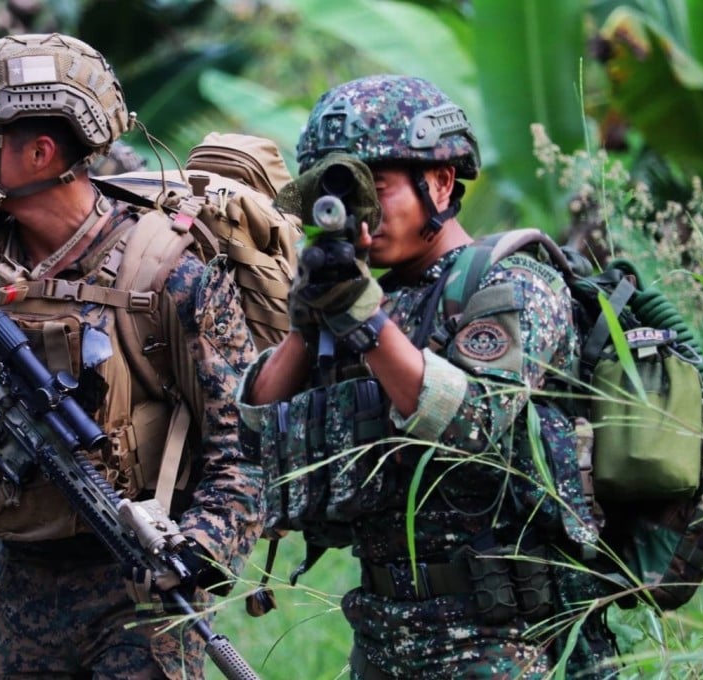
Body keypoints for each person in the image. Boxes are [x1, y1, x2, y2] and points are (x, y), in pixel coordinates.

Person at [0, 32, 261, 678]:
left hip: (142, 600)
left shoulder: (167, 274)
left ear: (42, 152)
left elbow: (247, 447)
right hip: (22, 592)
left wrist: (198, 548)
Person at [238, 75, 617, 678]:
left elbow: (473, 422)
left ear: (439, 182)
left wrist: (363, 317)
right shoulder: (376, 301)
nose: (363, 215)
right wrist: (307, 324)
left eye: (377, 189)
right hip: (386, 632)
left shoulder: (513, 284)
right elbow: (257, 432)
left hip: (504, 637)